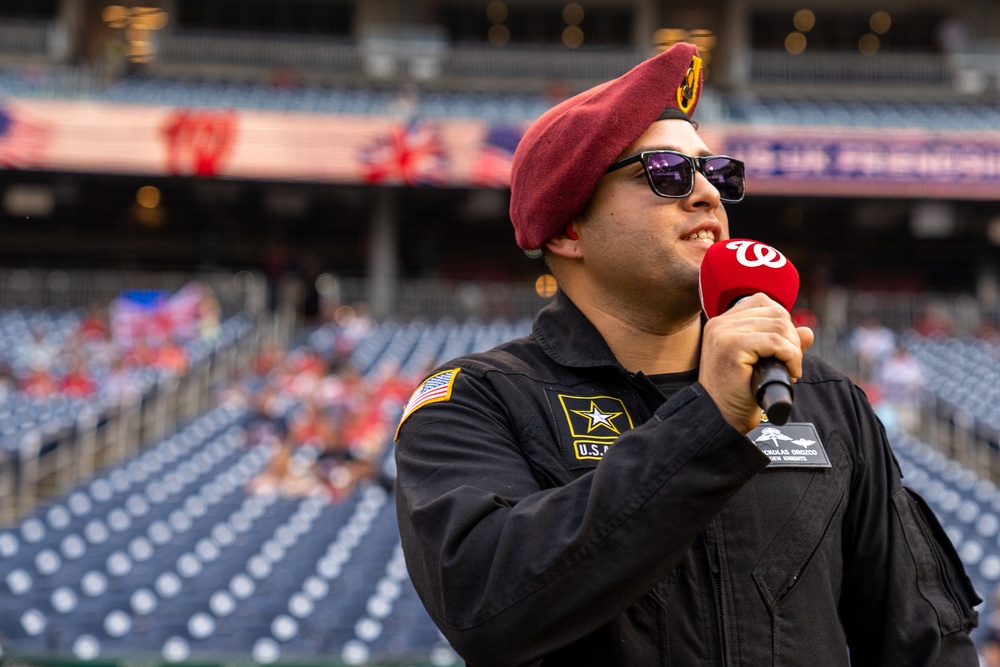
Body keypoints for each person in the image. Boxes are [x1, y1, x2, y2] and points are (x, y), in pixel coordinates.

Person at [393, 42, 980, 665]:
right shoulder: (475, 401)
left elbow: (926, 642)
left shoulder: (824, 399)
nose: (706, 195)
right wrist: (709, 420)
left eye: (716, 172)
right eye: (665, 172)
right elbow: (487, 606)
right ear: (568, 229)